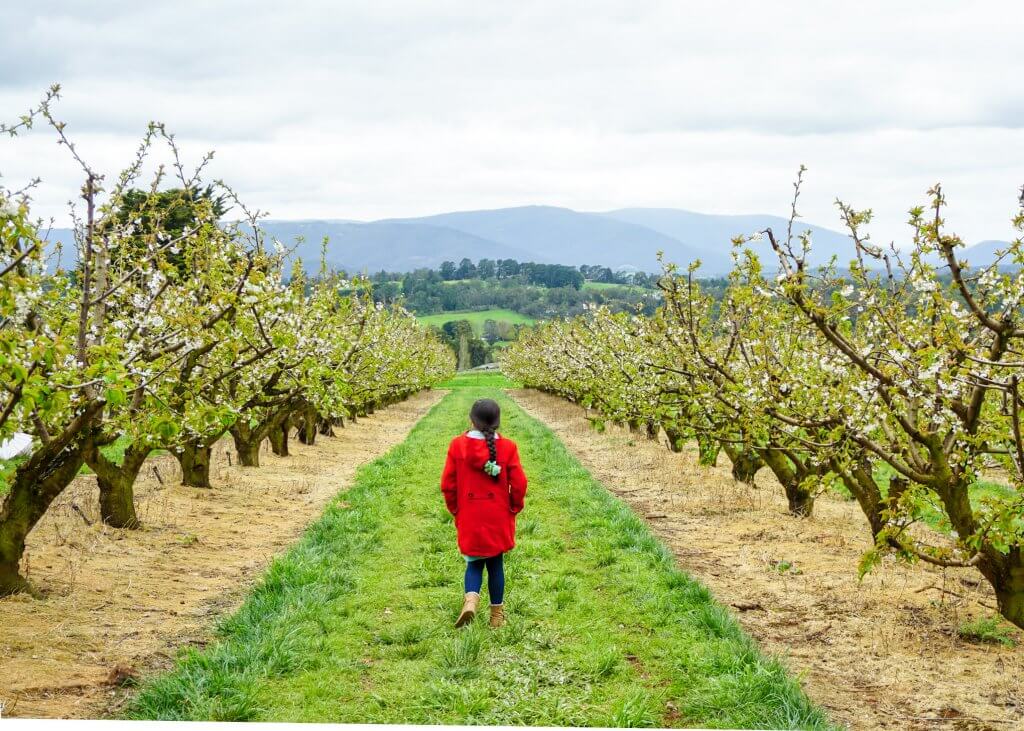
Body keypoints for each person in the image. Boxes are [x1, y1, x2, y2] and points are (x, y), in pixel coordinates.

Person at [440, 398, 528, 628]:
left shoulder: (457, 445)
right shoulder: (508, 447)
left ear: (471, 420)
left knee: (474, 563)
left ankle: (470, 600)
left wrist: (456, 509)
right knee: (495, 564)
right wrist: (514, 506)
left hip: (470, 513)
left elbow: (448, 484)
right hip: (497, 513)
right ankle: (496, 617)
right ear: (498, 422)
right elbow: (519, 483)